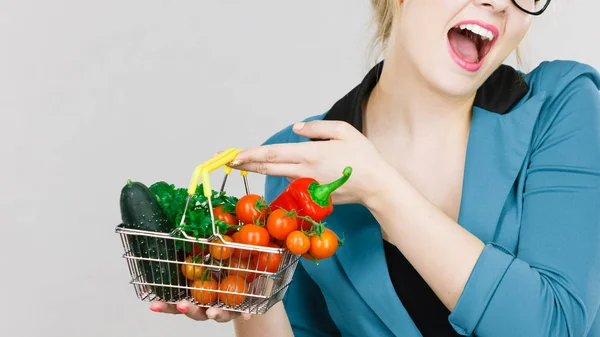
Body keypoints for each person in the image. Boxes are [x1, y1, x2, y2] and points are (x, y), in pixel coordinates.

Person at [150, 0, 600, 335]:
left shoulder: (563, 107)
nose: (501, 3)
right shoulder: (298, 158)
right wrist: (250, 296)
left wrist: (381, 190)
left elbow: (555, 326)